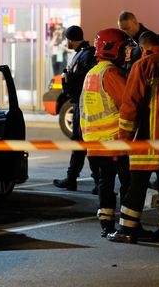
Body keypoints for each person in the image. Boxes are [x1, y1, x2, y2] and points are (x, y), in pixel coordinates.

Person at [107, 32, 159, 244]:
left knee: (137, 184)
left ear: (144, 49)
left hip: (147, 139)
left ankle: (127, 229)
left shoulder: (143, 66)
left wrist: (123, 139)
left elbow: (130, 105)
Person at [80, 28, 131, 238]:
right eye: (123, 49)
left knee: (105, 183)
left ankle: (106, 223)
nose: (125, 53)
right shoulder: (111, 73)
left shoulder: (92, 73)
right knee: (128, 182)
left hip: (94, 142)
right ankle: (127, 223)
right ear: (111, 49)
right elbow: (129, 103)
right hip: (113, 141)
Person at [53, 25, 99, 192]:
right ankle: (73, 178)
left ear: (71, 39)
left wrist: (69, 79)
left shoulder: (85, 55)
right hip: (80, 103)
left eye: (68, 39)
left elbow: (85, 79)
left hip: (84, 104)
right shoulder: (82, 54)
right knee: (80, 143)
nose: (67, 42)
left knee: (84, 143)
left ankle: (97, 182)